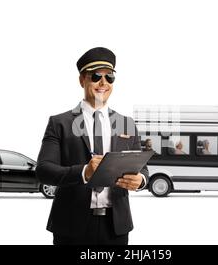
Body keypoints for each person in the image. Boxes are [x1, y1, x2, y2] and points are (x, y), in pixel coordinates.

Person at [36, 47, 149, 245]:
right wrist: (84, 172)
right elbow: (44, 170)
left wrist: (140, 181)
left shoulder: (127, 124)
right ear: (82, 80)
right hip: (70, 224)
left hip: (116, 227)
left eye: (109, 77)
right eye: (96, 76)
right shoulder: (59, 123)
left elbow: (143, 170)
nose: (103, 83)